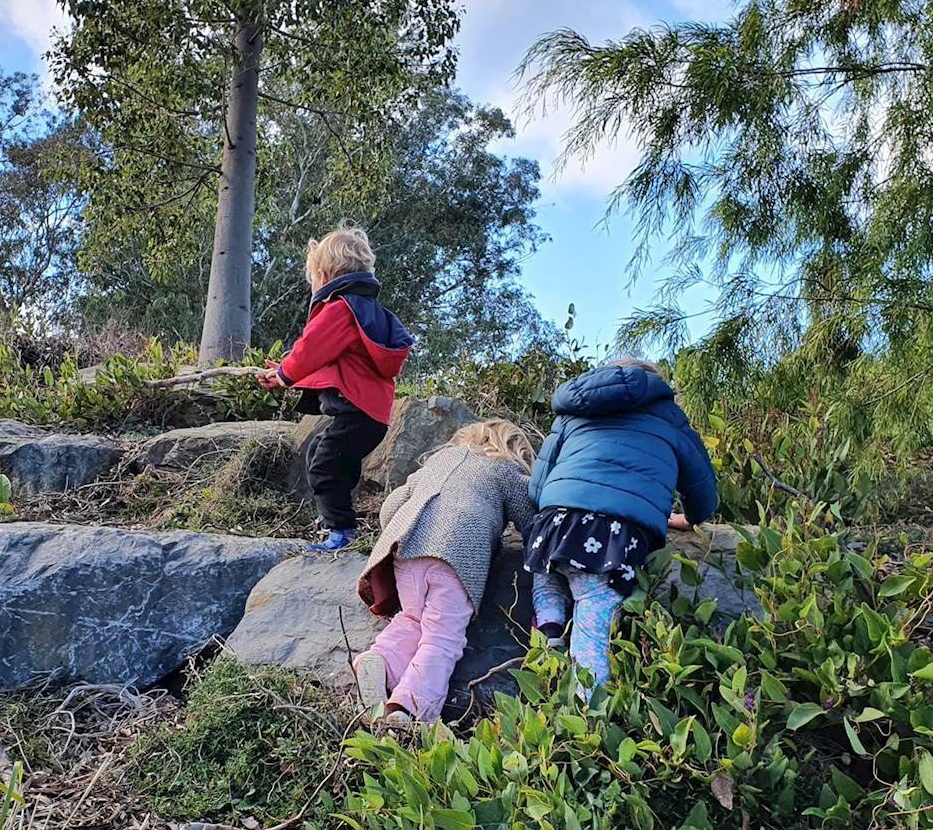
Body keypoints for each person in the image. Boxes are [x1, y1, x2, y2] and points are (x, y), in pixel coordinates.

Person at [525, 359, 718, 700]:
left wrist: (553, 506)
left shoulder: (573, 409)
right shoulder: (670, 417)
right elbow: (701, 485)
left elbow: (537, 487)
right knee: (594, 602)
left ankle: (550, 627)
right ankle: (589, 707)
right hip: (614, 531)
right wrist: (692, 516)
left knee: (547, 566)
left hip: (556, 519)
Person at [352, 420, 537, 723]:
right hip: (457, 552)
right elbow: (529, 517)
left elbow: (392, 505)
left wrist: (396, 535)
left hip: (407, 545)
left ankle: (381, 661)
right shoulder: (504, 468)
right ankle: (409, 707)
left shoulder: (440, 460)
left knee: (413, 617)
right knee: (442, 636)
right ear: (514, 449)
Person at [257, 224, 413, 552]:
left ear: (323, 275)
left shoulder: (340, 308)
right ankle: (334, 516)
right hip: (369, 414)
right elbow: (331, 364)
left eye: (311, 277)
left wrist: (286, 373)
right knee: (325, 455)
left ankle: (341, 530)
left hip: (358, 412)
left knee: (324, 462)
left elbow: (311, 349)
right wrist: (286, 375)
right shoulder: (363, 311)